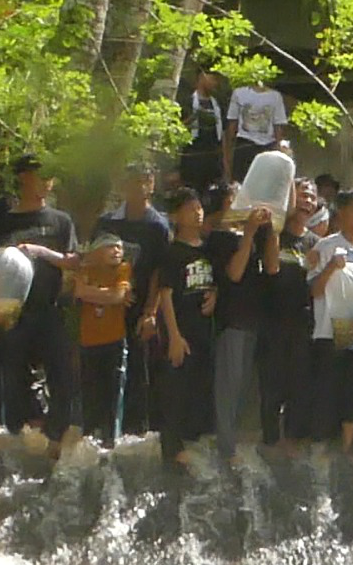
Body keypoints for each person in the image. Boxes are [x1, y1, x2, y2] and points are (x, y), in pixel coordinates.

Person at [0, 154, 77, 446]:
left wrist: (41, 252)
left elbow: (73, 261)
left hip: (49, 308)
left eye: (50, 176)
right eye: (41, 175)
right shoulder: (3, 220)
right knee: (14, 377)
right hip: (13, 311)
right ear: (24, 177)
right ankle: (18, 436)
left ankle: (56, 436)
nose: (47, 183)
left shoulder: (61, 221)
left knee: (61, 373)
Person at [96, 163, 172, 439]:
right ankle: (102, 428)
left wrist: (151, 312)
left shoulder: (158, 226)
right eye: (133, 182)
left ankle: (136, 430)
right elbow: (94, 260)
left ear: (152, 185)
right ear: (123, 186)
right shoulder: (108, 223)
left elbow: (160, 272)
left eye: (145, 182)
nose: (140, 187)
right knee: (105, 366)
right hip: (107, 305)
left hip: (141, 308)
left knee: (140, 371)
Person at [308, 188, 353, 453]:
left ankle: (349, 448)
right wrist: (331, 267)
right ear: (342, 212)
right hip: (330, 329)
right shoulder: (325, 247)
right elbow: (315, 290)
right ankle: (321, 447)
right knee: (328, 389)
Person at [208, 199, 273, 464]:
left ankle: (240, 441)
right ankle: (225, 445)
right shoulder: (220, 238)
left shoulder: (260, 234)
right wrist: (247, 234)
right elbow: (234, 273)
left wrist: (269, 228)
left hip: (256, 320)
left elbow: (271, 267)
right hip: (231, 319)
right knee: (229, 385)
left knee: (246, 384)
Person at [157, 188, 216, 470]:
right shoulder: (172, 252)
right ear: (176, 216)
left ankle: (193, 439)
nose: (198, 212)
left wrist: (215, 294)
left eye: (199, 207)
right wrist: (173, 336)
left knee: (200, 386)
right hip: (181, 328)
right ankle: (172, 447)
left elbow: (216, 281)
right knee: (175, 388)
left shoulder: (207, 248)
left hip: (205, 328)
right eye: (190, 209)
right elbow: (165, 294)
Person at [259, 179, 318, 449]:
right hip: (272, 316)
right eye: (301, 195)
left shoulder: (316, 242)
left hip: (304, 318)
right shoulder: (273, 234)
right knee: (272, 382)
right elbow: (271, 269)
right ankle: (271, 439)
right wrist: (275, 226)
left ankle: (294, 437)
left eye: (311, 197)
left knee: (300, 382)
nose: (306, 201)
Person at [72, 234, 131, 448]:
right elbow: (79, 291)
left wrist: (92, 293)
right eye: (110, 247)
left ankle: (110, 440)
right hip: (88, 342)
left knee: (114, 394)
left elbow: (117, 296)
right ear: (96, 252)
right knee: (89, 392)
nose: (117, 251)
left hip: (114, 340)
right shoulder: (85, 270)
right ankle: (88, 437)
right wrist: (106, 294)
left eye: (120, 247)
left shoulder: (123, 269)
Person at [223, 74, 289, 180]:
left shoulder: (275, 96)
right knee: (242, 180)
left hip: (267, 145)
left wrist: (278, 149)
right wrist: (229, 152)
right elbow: (232, 123)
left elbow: (278, 126)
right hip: (244, 143)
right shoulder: (239, 93)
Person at [180, 71, 225, 189]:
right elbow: (178, 127)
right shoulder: (187, 100)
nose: (215, 83)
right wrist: (195, 117)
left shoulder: (217, 103)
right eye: (212, 79)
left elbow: (223, 132)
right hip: (193, 154)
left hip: (213, 154)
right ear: (202, 77)